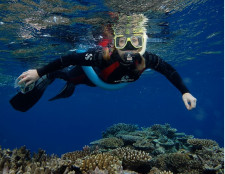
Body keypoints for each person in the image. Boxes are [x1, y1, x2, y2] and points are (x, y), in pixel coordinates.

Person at [10, 14, 197, 112]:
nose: (129, 48)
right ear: (115, 43)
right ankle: (52, 76)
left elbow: (169, 71)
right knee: (68, 76)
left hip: (105, 81)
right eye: (122, 41)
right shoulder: (103, 56)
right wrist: (39, 72)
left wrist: (185, 91)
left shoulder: (147, 60)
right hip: (89, 77)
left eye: (136, 41)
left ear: (143, 42)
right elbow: (69, 58)